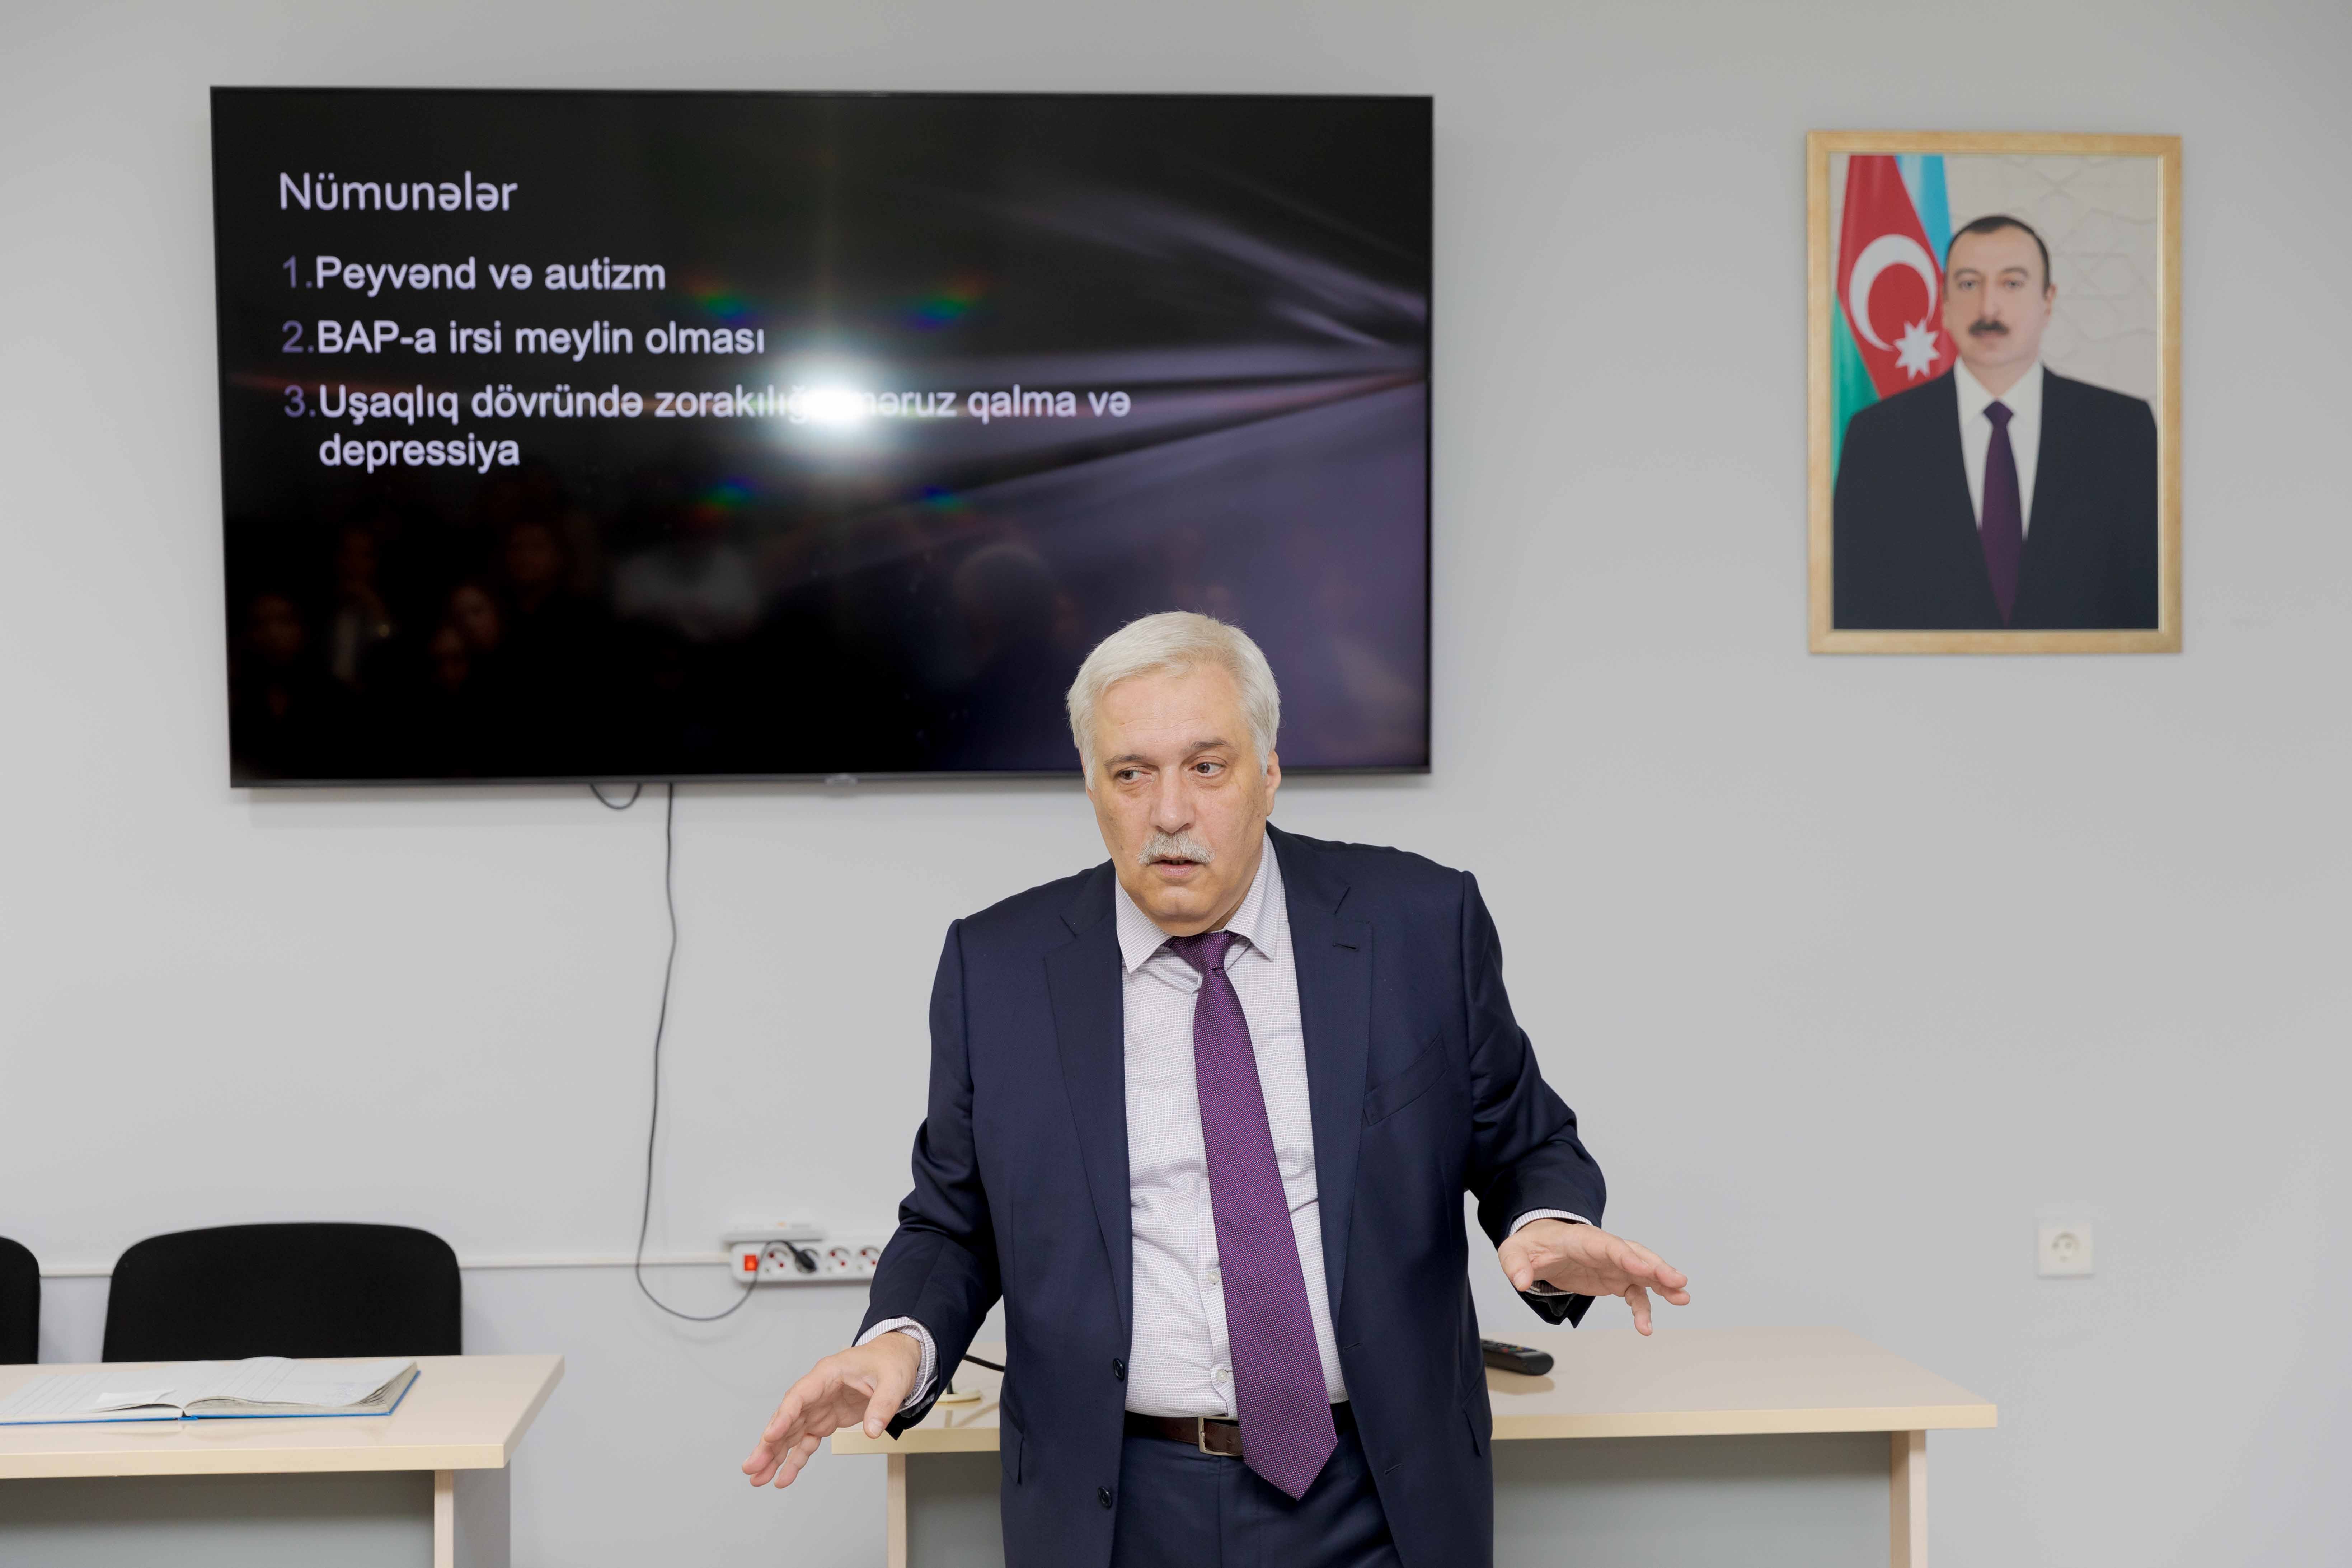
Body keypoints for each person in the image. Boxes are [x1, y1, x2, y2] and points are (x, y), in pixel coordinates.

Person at [742, 612, 1689, 1567]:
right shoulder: (997, 967)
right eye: (1131, 773)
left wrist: (1545, 1225)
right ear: (1091, 786)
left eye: (1206, 767)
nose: (1169, 812)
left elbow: (1524, 1143)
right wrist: (897, 1342)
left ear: (1268, 772)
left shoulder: (1417, 924)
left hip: (1379, 1495)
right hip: (1113, 1505)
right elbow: (953, 1222)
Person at [1833, 214, 2158, 630]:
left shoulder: (2123, 431)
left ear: (2048, 301)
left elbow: (2150, 605)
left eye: (2012, 284)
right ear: (1944, 304)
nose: (1988, 308)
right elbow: (1852, 608)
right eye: (1969, 284)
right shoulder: (1877, 438)